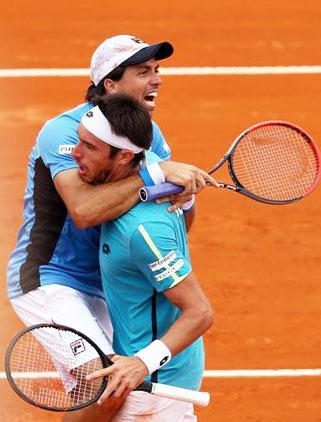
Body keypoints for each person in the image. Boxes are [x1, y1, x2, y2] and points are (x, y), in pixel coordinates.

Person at [6, 35, 216, 422]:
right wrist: (155, 173)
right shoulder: (64, 134)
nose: (156, 80)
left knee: (120, 388)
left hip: (109, 284)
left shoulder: (150, 138)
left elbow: (174, 226)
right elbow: (84, 210)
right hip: (52, 278)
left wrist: (184, 199)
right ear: (111, 85)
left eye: (156, 71)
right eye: (143, 72)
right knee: (103, 385)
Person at [81, 94, 214, 421]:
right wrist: (186, 204)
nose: (75, 153)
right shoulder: (151, 165)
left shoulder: (142, 231)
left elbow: (200, 312)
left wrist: (142, 363)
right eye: (79, 141)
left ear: (124, 156)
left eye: (90, 148)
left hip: (154, 388)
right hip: (144, 367)